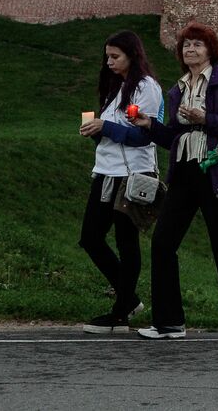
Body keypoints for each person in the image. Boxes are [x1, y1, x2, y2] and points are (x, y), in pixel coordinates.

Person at [132, 23, 218, 340]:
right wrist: (149, 124)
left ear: (210, 50)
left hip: (215, 169)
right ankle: (169, 322)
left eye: (197, 45)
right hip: (185, 171)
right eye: (186, 45)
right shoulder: (177, 89)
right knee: (163, 241)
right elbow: (175, 137)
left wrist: (206, 119)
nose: (190, 50)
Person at [78, 30, 165, 334]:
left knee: (126, 242)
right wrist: (97, 130)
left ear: (133, 55)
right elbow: (116, 130)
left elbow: (145, 135)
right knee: (90, 237)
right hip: (106, 170)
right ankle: (128, 299)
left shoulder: (146, 88)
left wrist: (107, 126)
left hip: (133, 174)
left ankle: (120, 313)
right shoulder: (116, 86)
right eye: (107, 56)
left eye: (115, 56)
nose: (109, 62)